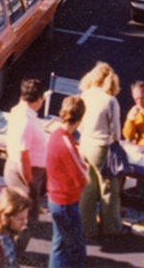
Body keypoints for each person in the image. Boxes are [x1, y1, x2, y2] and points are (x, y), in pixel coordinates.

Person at [78, 62, 122, 240]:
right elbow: (116, 129)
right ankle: (111, 227)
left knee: (88, 188)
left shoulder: (85, 94)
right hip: (101, 147)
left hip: (85, 145)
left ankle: (87, 227)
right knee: (108, 189)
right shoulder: (110, 100)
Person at [3, 78, 48, 252]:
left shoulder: (19, 111)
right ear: (38, 100)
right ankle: (15, 251)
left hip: (20, 169)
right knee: (30, 218)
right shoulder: (26, 121)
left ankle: (9, 249)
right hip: (24, 173)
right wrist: (30, 182)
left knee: (16, 215)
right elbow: (23, 156)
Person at [46, 96, 88, 268]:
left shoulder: (55, 134)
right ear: (79, 120)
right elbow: (83, 176)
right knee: (76, 248)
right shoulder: (66, 143)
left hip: (54, 198)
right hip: (66, 202)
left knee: (59, 244)